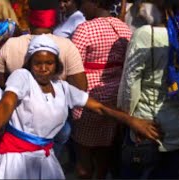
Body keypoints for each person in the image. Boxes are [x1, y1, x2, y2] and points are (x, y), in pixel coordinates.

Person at [0, 34, 160, 179]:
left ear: (57, 65)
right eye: (38, 63)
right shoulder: (22, 77)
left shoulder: (63, 88)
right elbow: (8, 102)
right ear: (30, 63)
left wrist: (131, 120)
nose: (44, 68)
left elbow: (99, 107)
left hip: (44, 157)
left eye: (49, 63)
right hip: (14, 159)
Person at [0, 0, 87, 159]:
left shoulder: (10, 44)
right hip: (55, 126)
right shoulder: (66, 46)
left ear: (30, 18)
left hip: (18, 127)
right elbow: (81, 87)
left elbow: (1, 82)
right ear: (56, 18)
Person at [117, 0, 179, 178]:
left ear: (162, 7)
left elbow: (131, 83)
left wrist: (128, 119)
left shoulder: (146, 34)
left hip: (148, 128)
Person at [70, 0, 132, 178]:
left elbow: (74, 67)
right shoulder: (123, 28)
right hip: (115, 100)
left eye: (83, 3)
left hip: (88, 100)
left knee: (84, 156)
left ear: (94, 3)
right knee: (105, 150)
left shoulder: (85, 29)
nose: (81, 8)